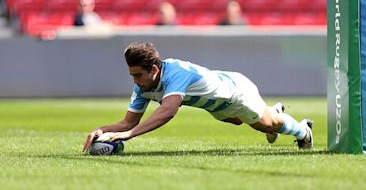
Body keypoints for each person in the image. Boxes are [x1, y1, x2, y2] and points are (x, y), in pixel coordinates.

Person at [82, 42, 313, 152]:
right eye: (131, 75)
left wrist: (129, 135)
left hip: (236, 93)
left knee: (267, 124)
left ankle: (304, 131)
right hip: (216, 106)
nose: (134, 81)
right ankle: (274, 113)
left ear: (154, 69)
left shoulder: (176, 73)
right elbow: (127, 122)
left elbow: (168, 111)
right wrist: (103, 130)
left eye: (138, 75)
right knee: (240, 122)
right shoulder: (143, 86)